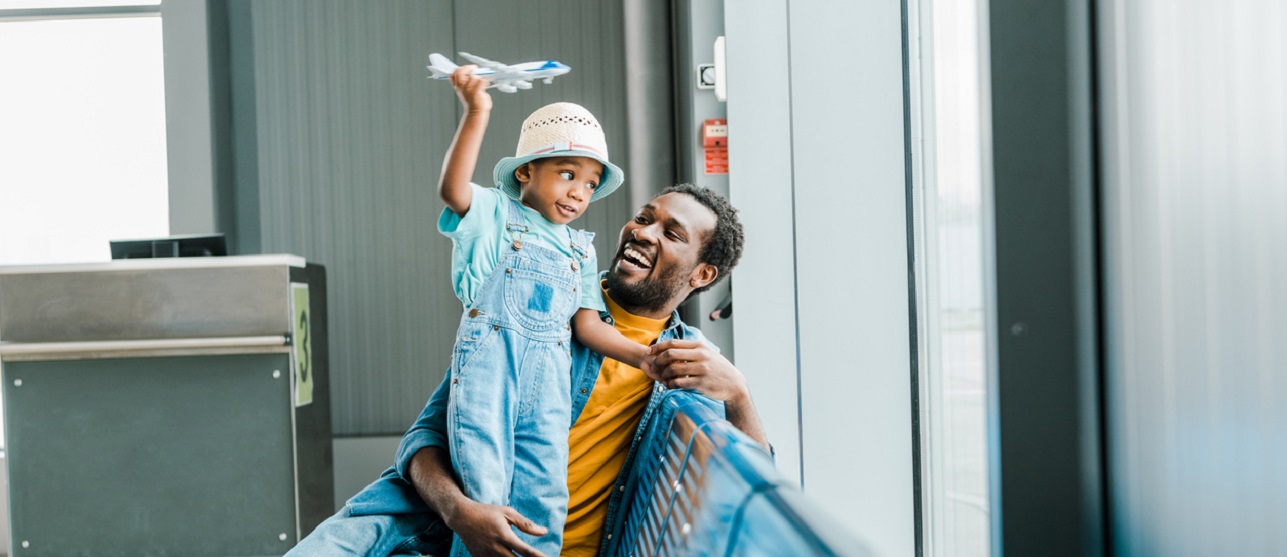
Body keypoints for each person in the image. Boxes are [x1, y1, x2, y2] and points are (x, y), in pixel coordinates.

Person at [287, 183, 767, 557]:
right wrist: (462, 513)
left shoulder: (689, 364)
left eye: (671, 233)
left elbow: (757, 489)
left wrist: (739, 396)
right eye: (644, 218)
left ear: (703, 275)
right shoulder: (538, 297)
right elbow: (423, 441)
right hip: (435, 534)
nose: (643, 232)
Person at [428, 65, 667, 557]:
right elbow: (453, 191)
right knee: (485, 489)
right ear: (525, 172)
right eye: (566, 173)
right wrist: (477, 110)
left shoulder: (581, 250)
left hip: (551, 388)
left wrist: (643, 357)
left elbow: (585, 324)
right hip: (491, 375)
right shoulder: (495, 214)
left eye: (591, 182)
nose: (579, 191)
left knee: (546, 496)